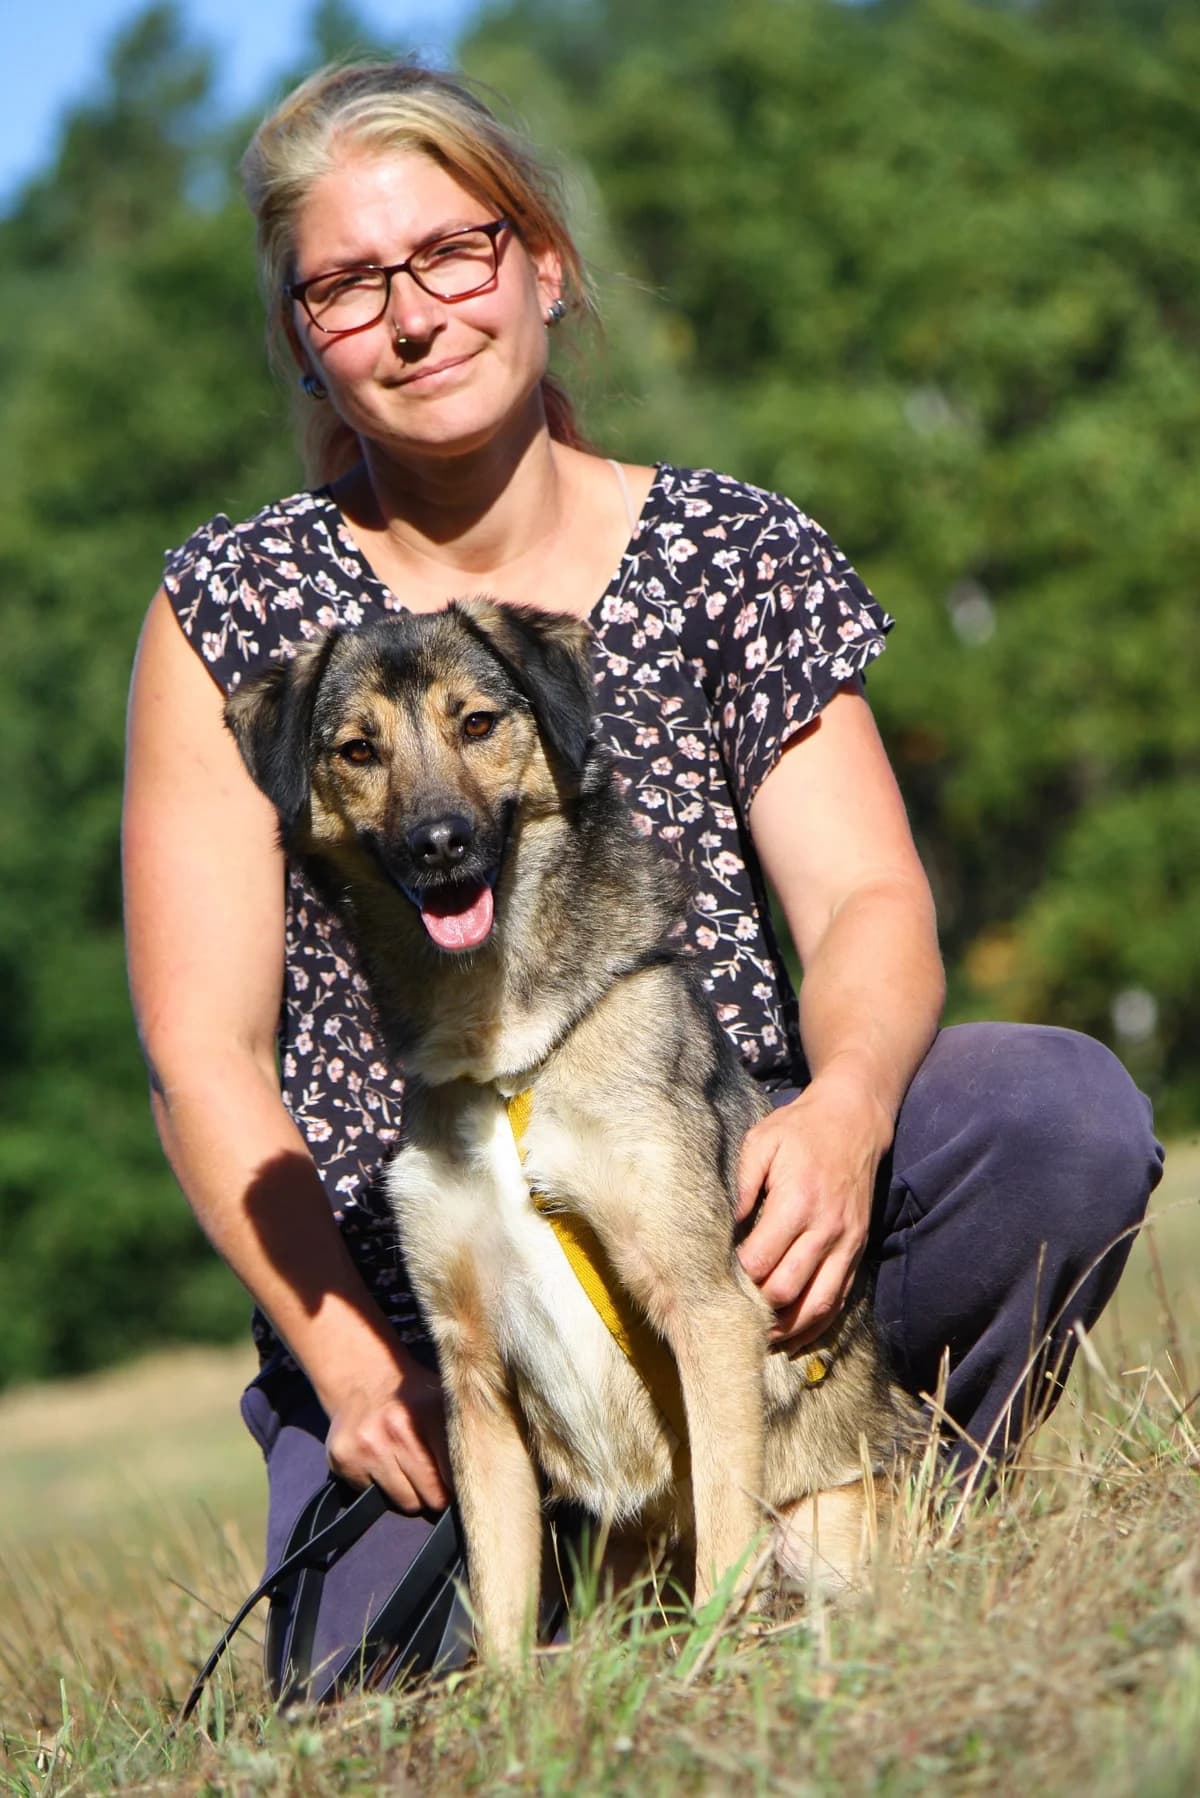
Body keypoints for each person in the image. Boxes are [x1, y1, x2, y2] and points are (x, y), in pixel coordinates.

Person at [122, 58, 1162, 1692]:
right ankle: (584, 1574)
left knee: (1052, 1116)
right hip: (419, 1302)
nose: (411, 316)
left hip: (735, 1199)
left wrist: (846, 1107)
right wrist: (341, 1352)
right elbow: (203, 1052)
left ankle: (871, 1516)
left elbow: (872, 906)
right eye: (346, 285)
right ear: (303, 334)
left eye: (454, 253)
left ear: (544, 261)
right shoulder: (235, 604)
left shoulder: (732, 551)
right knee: (367, 1693)